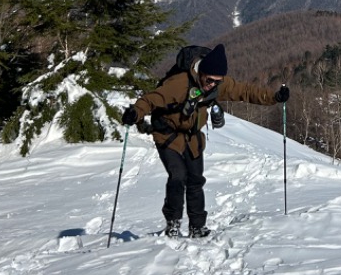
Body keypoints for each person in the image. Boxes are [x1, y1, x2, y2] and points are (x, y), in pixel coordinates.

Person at [121, 43, 289, 238]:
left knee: (195, 180)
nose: (212, 85)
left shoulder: (217, 85)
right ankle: (173, 224)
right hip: (167, 133)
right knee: (178, 177)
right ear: (202, 73)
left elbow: (246, 91)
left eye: (217, 82)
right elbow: (152, 99)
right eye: (209, 80)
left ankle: (197, 227)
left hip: (192, 136)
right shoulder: (180, 83)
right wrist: (135, 113)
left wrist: (275, 97)